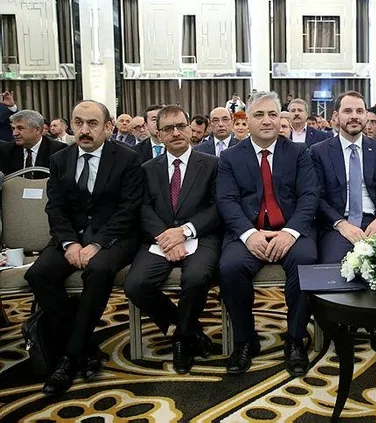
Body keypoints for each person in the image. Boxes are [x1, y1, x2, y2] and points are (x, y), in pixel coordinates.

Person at [24, 100, 143, 395]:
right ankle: (85, 347)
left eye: (92, 123)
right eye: (78, 123)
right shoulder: (60, 159)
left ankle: (69, 357)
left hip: (115, 237)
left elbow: (128, 210)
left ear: (108, 127)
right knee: (38, 274)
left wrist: (97, 244)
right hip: (71, 237)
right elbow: (56, 208)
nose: (84, 130)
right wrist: (69, 243)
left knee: (98, 270)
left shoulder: (127, 158)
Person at [217, 91, 319, 378]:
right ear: (246, 120)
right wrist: (249, 234)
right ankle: (245, 340)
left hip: (290, 230)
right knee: (230, 267)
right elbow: (226, 200)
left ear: (280, 118)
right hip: (248, 232)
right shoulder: (230, 157)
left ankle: (295, 339)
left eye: (273, 114)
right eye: (259, 115)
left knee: (306, 262)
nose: (267, 120)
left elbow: (309, 196)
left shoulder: (299, 153)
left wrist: (290, 233)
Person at [124, 105, 220, 374]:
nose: (176, 133)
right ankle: (188, 329)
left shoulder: (212, 164)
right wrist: (167, 237)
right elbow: (143, 208)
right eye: (168, 128)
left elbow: (217, 207)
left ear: (190, 129)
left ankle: (181, 341)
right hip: (160, 238)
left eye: (180, 126)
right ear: (158, 133)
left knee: (197, 278)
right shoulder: (146, 169)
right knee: (135, 284)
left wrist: (185, 231)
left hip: (200, 236)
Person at [310, 90, 376, 354]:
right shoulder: (319, 151)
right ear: (336, 116)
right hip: (338, 222)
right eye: (347, 111)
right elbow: (317, 197)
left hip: (374, 220)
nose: (354, 116)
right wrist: (340, 223)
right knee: (333, 268)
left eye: (360, 111)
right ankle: (341, 328)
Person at [0, 109, 67, 175]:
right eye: (13, 128)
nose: (14, 133)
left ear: (37, 130)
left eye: (20, 128)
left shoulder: (58, 150)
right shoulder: (6, 150)